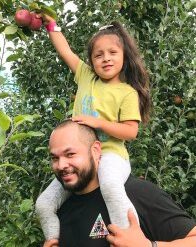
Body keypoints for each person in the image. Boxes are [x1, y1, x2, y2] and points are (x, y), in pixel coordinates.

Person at [35, 14, 151, 241]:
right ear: (91, 60)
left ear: (124, 56)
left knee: (109, 187)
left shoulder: (126, 92)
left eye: (112, 53)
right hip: (82, 158)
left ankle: (128, 239)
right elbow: (65, 51)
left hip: (110, 155)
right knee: (44, 204)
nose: (105, 59)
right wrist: (51, 25)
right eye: (99, 55)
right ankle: (53, 241)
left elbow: (131, 131)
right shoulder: (87, 77)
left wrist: (98, 123)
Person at [42, 120, 196, 247]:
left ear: (95, 150)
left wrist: (150, 246)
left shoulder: (137, 193)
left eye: (70, 154)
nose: (61, 165)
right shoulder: (59, 208)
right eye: (55, 158)